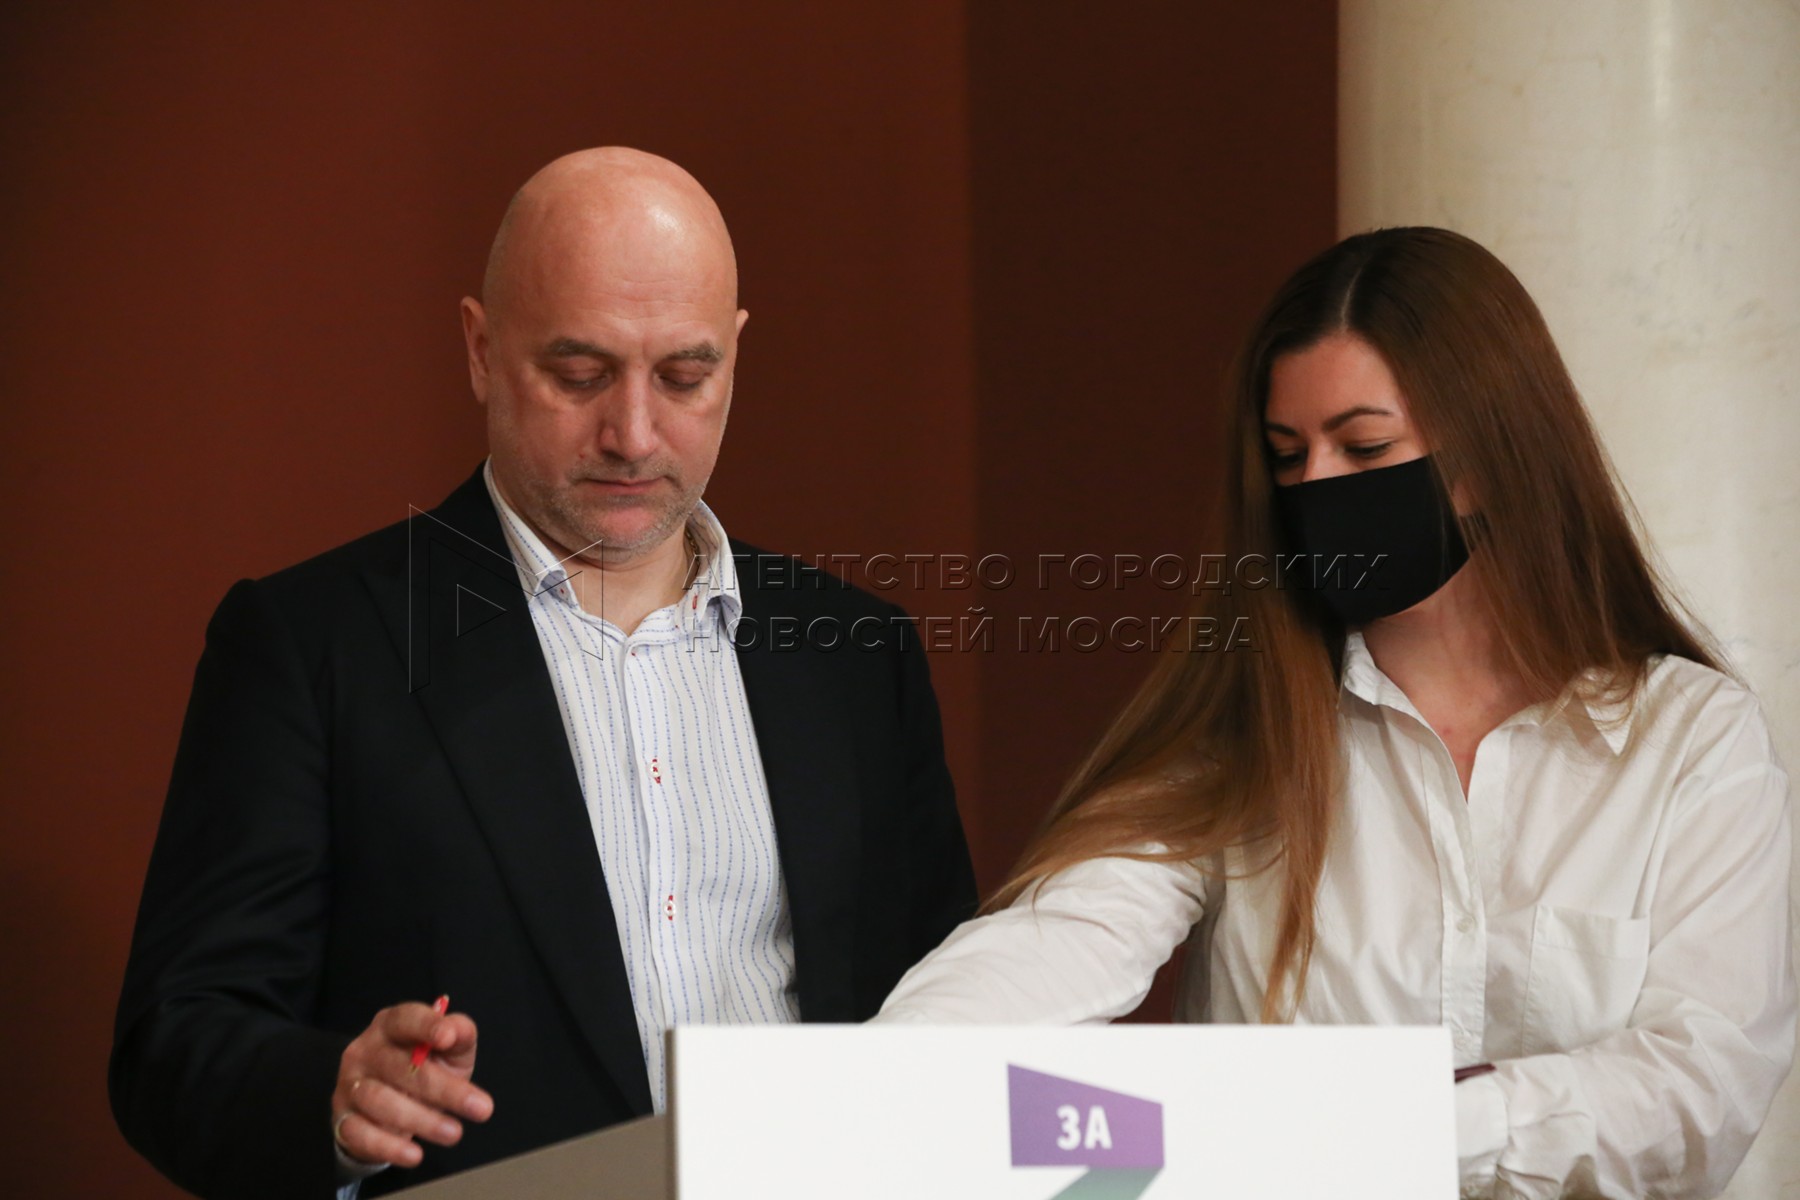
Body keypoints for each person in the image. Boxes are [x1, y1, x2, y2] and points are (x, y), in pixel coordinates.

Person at [111, 147, 977, 1199]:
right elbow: (177, 1042)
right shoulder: (311, 646)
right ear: (482, 351)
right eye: (579, 375)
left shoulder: (858, 654)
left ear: (736, 355)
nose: (634, 434)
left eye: (685, 376)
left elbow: (947, 1017)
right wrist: (333, 1096)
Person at [874, 227, 1795, 1198]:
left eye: (1364, 447)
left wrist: (1403, 1124)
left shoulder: (1690, 737)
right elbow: (1062, 940)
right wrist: (874, 1085)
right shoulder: (1246, 728)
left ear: (1489, 454)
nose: (1317, 486)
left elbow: (1702, 1083)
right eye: (1288, 455)